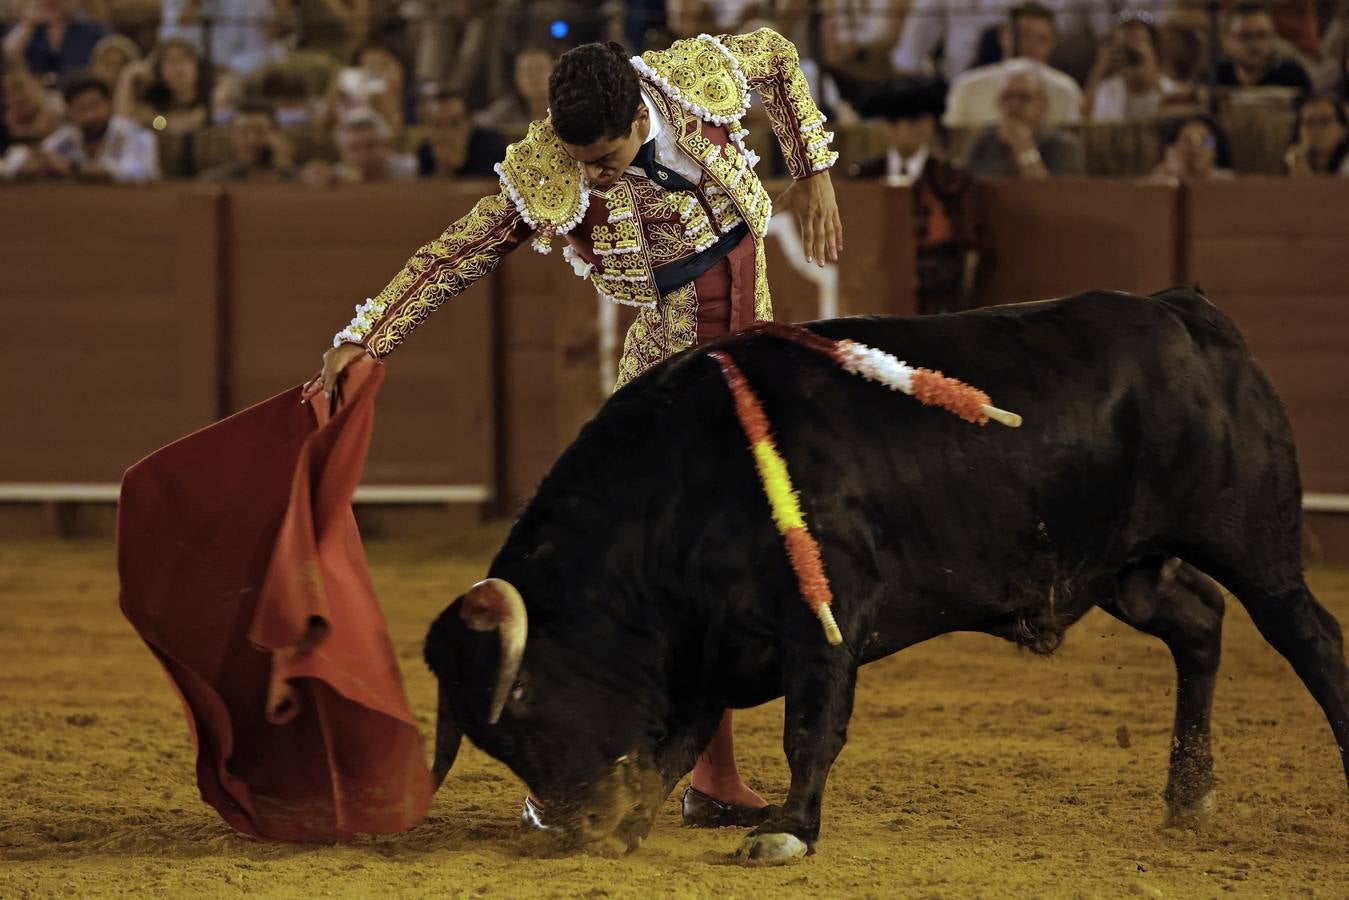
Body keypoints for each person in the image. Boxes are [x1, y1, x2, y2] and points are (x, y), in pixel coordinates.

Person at [305, 28, 842, 828]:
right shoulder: (549, 168)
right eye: (579, 161)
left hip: (745, 346)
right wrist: (368, 334)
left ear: (637, 113)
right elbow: (460, 252)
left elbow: (771, 53)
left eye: (603, 160)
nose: (588, 176)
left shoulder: (688, 79)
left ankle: (712, 778)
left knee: (725, 565)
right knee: (649, 571)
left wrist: (815, 174)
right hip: (668, 369)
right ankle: (561, 773)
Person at [851, 80, 982, 315]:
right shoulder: (864, 177)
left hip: (934, 294)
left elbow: (967, 245)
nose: (902, 130)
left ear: (929, 124)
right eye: (893, 122)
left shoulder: (952, 179)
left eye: (911, 121)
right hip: (871, 292)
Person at [943, 3, 1083, 129]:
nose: (1031, 46)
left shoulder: (1066, 90)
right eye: (1024, 36)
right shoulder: (967, 87)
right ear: (1004, 36)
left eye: (1041, 39)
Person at [0, 73, 159, 181]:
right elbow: (16, 162)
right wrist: (30, 163)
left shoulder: (135, 134)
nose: (90, 115)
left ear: (109, 106)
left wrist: (74, 168)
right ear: (69, 113)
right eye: (81, 110)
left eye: (94, 106)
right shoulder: (68, 136)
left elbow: (138, 172)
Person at [963, 63, 1085, 177]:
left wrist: (1024, 149)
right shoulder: (984, 142)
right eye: (1007, 97)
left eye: (1023, 97)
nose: (1014, 105)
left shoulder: (1063, 146)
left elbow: (1058, 196)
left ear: (1043, 105)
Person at [1085, 13, 1175, 121]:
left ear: (1154, 49)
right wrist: (1101, 68)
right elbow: (1086, 121)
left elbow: (1170, 123)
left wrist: (1151, 73)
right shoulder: (1107, 90)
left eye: (1139, 40)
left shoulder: (1170, 89)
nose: (1132, 51)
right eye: (1125, 46)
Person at [114, 38, 208, 134]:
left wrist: (155, 120)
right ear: (159, 71)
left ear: (197, 64)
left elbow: (191, 121)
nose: (178, 67)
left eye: (183, 59)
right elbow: (122, 121)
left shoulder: (212, 94)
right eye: (171, 61)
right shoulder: (155, 98)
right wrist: (128, 74)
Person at [1, 0, 108, 84]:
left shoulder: (93, 30)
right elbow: (6, 58)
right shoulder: (23, 29)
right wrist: (28, 24)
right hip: (32, 100)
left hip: (77, 98)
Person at [299, 108, 414, 185]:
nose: (363, 155)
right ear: (342, 152)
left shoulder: (412, 170)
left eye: (371, 145)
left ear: (386, 145)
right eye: (354, 148)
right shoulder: (336, 177)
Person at [1216, 2, 1313, 93]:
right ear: (1227, 40)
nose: (1254, 43)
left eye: (1261, 35)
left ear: (1273, 37)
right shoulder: (1216, 76)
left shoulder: (1293, 76)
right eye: (1245, 35)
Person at [414, 87, 507, 178]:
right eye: (437, 125)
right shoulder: (425, 152)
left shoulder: (492, 149)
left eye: (455, 123)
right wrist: (443, 169)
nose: (447, 133)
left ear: (469, 124)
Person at [198, 98, 296, 181]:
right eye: (243, 132)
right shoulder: (212, 181)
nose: (251, 141)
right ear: (232, 135)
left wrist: (282, 166)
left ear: (276, 134)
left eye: (259, 131)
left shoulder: (299, 181)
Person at [474, 45, 552, 139]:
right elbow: (480, 123)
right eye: (528, 71)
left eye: (540, 70)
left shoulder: (566, 107)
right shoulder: (506, 110)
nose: (534, 77)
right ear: (517, 77)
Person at [1147, 114, 1235, 182]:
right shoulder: (1162, 178)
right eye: (1187, 140)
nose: (1196, 148)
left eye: (1205, 141)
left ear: (1216, 150)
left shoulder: (1226, 180)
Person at [1284, 94, 1349, 176]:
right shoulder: (1291, 160)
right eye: (1309, 122)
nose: (1316, 130)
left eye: (1324, 122)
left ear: (1343, 130)